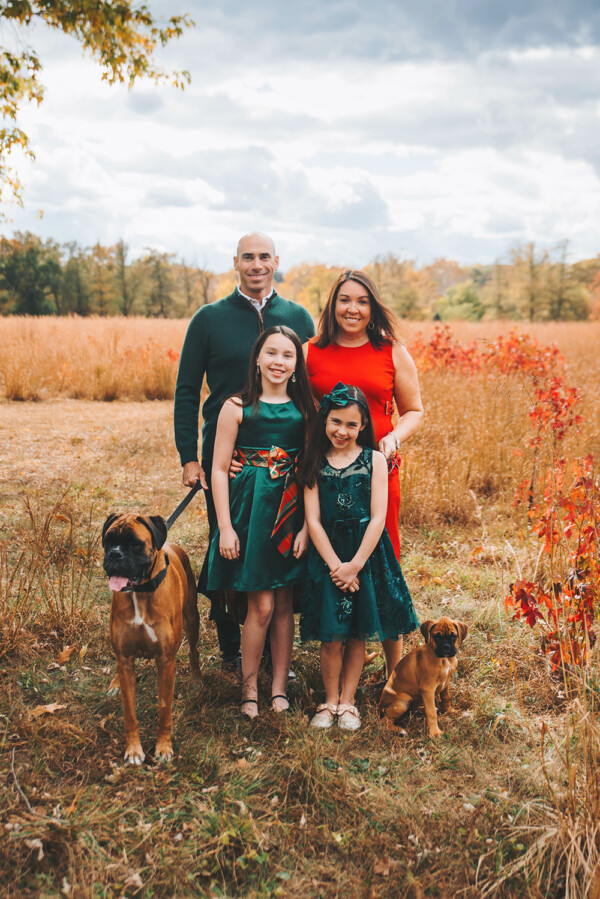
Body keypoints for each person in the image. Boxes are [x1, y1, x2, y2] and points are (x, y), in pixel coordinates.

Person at [174, 233, 315, 670]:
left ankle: (276, 650)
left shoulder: (297, 316)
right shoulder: (209, 318)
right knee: (228, 544)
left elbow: (313, 384)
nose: (257, 264)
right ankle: (232, 647)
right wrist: (189, 457)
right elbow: (186, 389)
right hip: (228, 457)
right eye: (248, 257)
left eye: (264, 256)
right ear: (235, 262)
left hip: (284, 459)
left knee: (280, 549)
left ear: (276, 261)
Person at [303, 270, 423, 678]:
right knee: (333, 556)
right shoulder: (310, 352)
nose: (352, 309)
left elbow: (414, 411)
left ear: (372, 307)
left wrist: (393, 439)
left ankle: (395, 669)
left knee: (384, 558)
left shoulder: (390, 351)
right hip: (327, 471)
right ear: (332, 305)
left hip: (376, 471)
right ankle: (347, 639)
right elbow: (294, 409)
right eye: (344, 300)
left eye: (362, 301)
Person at [205, 327, 316, 717]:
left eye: (288, 356)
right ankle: (249, 688)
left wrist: (306, 528)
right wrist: (225, 527)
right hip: (249, 513)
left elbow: (310, 472)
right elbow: (219, 469)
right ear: (256, 358)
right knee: (262, 605)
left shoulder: (305, 411)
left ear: (296, 366)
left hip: (289, 512)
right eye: (271, 353)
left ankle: (279, 688)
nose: (278, 362)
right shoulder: (236, 407)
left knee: (284, 602)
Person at [300, 383, 419, 731]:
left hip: (365, 555)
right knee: (330, 634)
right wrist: (336, 566)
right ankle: (329, 699)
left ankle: (349, 701)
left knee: (356, 633)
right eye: (336, 422)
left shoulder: (375, 461)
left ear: (364, 425)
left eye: (352, 424)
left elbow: (379, 517)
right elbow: (313, 521)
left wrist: (355, 566)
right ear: (324, 421)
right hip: (329, 557)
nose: (342, 431)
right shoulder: (313, 463)